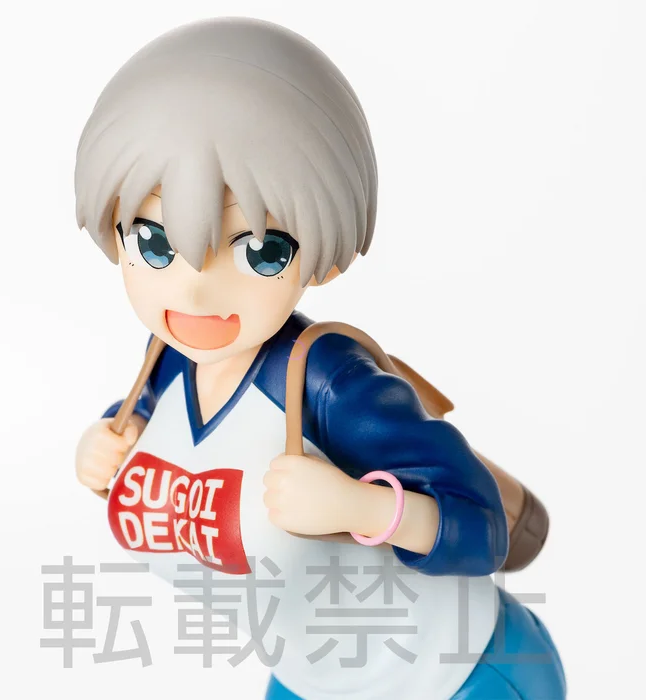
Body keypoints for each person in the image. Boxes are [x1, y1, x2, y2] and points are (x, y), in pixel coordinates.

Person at [74, 17, 566, 699]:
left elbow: (480, 529)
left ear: (319, 255)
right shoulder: (166, 362)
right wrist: (108, 447)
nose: (195, 287)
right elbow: (177, 446)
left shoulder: (330, 384)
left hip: (458, 674)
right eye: (154, 243)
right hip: (313, 680)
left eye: (260, 250)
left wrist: (361, 509)